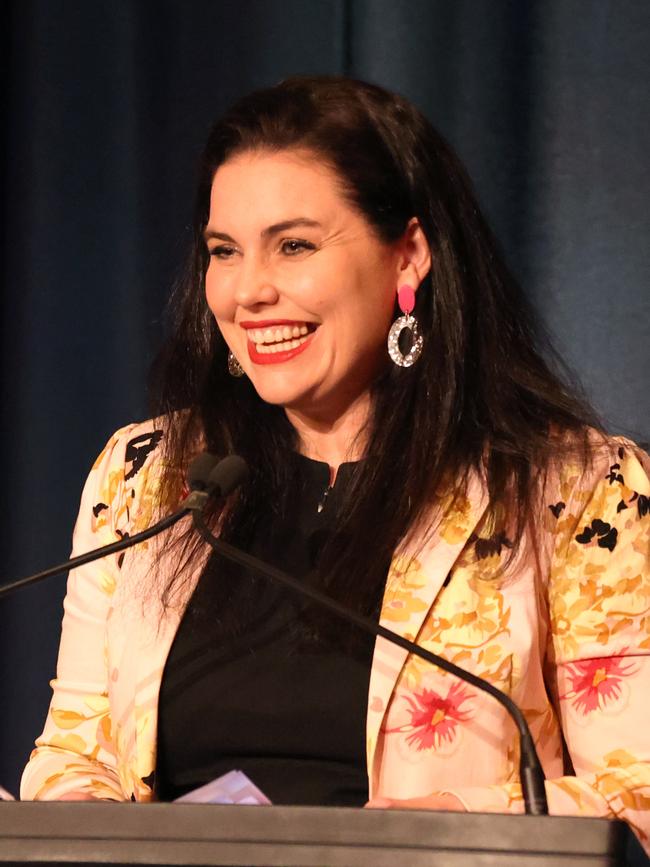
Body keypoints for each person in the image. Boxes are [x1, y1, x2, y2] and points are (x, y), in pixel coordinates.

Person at [20, 76, 650, 849]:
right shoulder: (144, 477)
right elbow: (72, 755)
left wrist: (451, 826)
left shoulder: (578, 490)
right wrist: (97, 835)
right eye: (224, 251)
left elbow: (639, 791)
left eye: (294, 245)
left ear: (408, 257)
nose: (249, 291)